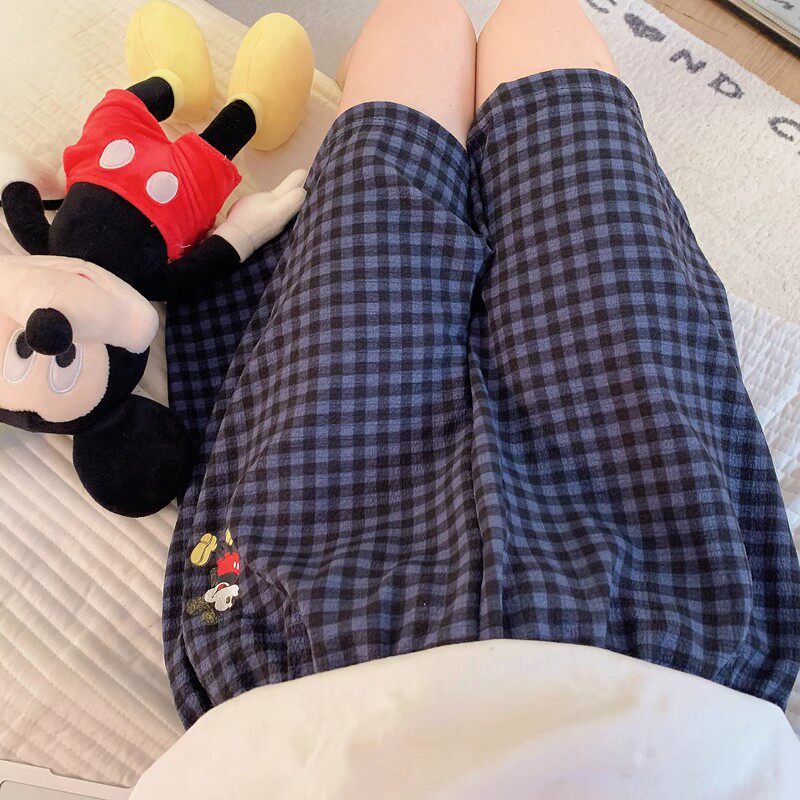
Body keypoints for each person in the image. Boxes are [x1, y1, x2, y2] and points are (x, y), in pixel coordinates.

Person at [164, 0, 800, 728]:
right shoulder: (708, 640)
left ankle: (394, 101)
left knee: (423, 34)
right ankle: (417, 112)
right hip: (672, 621)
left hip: (312, 631)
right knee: (534, 34)